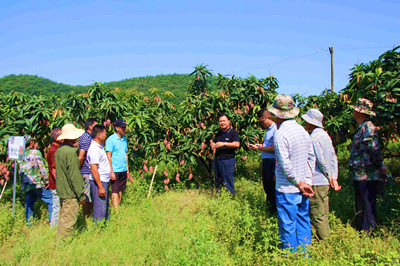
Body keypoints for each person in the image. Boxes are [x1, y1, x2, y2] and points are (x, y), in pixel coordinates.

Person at [268, 94, 316, 253]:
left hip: (288, 188)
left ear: (276, 115)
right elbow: (311, 156)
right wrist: (306, 181)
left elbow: (284, 163)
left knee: (287, 225)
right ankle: (304, 256)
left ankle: (291, 257)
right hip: (303, 187)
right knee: (303, 220)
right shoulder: (302, 131)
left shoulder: (281, 134)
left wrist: (298, 182)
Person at [302, 109, 341, 240]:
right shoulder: (325, 135)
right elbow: (332, 157)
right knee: (323, 212)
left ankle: (323, 242)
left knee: (316, 213)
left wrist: (328, 175)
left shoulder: (313, 137)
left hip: (317, 181)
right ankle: (324, 239)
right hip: (325, 181)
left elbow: (320, 160)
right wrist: (333, 177)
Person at [349, 98, 385, 232]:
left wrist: (378, 166)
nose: (353, 112)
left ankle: (368, 231)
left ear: (359, 112)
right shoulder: (361, 127)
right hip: (359, 173)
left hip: (367, 173)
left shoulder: (368, 126)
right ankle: (361, 229)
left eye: (355, 110)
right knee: (360, 203)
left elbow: (373, 148)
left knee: (367, 204)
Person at [55, 124, 85, 238]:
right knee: (69, 221)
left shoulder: (60, 150)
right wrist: (80, 194)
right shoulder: (71, 152)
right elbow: (74, 176)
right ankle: (63, 245)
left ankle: (60, 241)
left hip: (62, 190)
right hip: (70, 192)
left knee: (63, 218)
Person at [19, 135, 53, 226]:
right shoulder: (35, 152)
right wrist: (46, 181)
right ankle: (52, 221)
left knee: (29, 202)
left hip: (26, 184)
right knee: (51, 199)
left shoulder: (20, 154)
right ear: (31, 143)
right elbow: (41, 168)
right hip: (36, 182)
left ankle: (29, 223)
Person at [249, 109, 277, 214]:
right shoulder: (269, 130)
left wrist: (259, 148)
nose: (261, 124)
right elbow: (268, 146)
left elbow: (274, 148)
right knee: (267, 186)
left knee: (271, 186)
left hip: (271, 161)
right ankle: (270, 208)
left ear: (268, 118)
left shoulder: (275, 130)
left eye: (262, 121)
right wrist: (260, 146)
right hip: (267, 161)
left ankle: (273, 210)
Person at [210, 114, 240, 195]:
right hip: (218, 159)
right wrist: (212, 144)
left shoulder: (233, 133)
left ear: (229, 122)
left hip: (228, 160)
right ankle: (219, 197)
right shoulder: (218, 133)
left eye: (224, 121)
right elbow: (213, 141)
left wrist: (224, 144)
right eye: (220, 121)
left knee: (227, 180)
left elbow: (237, 144)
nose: (222, 123)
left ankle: (231, 197)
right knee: (218, 180)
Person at [105, 119, 130, 212]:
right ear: (117, 128)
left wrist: (127, 169)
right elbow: (108, 155)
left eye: (125, 127)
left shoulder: (124, 140)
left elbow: (125, 154)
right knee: (115, 190)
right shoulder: (111, 139)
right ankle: (116, 210)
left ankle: (117, 206)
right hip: (115, 169)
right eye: (122, 128)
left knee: (120, 189)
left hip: (123, 168)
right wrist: (111, 171)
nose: (124, 129)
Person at [88, 125, 111, 222]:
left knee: (104, 205)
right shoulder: (94, 149)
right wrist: (100, 186)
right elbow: (94, 169)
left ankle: (105, 226)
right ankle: (98, 229)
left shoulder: (99, 147)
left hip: (103, 180)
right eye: (105, 133)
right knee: (99, 207)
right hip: (99, 181)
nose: (106, 136)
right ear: (99, 135)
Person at [78, 118, 97, 216]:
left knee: (91, 195)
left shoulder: (89, 137)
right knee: (87, 195)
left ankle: (89, 214)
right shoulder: (86, 137)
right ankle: (86, 215)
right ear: (90, 126)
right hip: (86, 171)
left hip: (89, 170)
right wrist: (79, 169)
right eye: (95, 125)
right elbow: (81, 156)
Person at [46, 128, 63, 227]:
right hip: (56, 184)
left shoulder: (55, 149)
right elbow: (54, 170)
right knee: (57, 207)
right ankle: (54, 227)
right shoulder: (54, 151)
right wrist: (59, 183)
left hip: (56, 183)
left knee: (58, 206)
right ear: (56, 138)